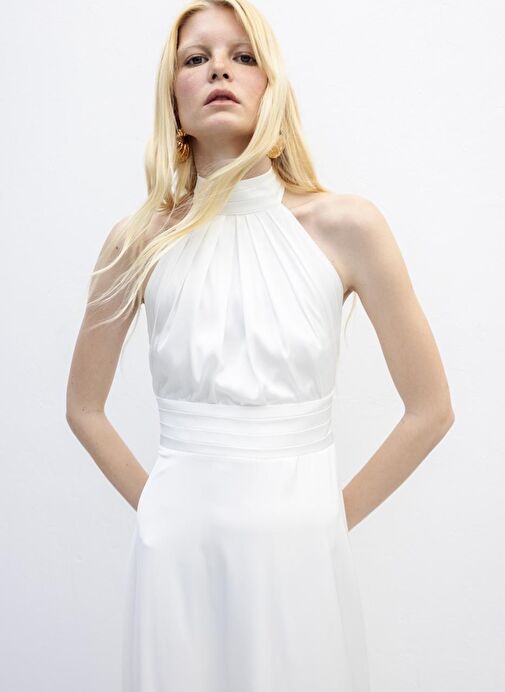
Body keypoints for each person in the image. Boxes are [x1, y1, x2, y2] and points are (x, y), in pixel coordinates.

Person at [65, 1, 455, 690]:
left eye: (243, 56)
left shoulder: (346, 227)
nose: (220, 68)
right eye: (196, 58)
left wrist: (328, 521)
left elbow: (430, 409)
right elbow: (83, 408)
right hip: (175, 556)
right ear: (174, 103)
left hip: (303, 552)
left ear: (271, 85)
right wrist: (158, 508)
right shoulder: (138, 241)